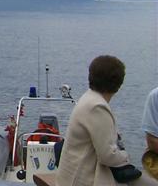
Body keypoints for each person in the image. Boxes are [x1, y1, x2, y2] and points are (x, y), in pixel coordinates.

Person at [56, 55, 149, 186]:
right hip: (82, 180)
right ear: (118, 83)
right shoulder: (97, 107)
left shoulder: (88, 98)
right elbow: (107, 155)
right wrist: (125, 156)